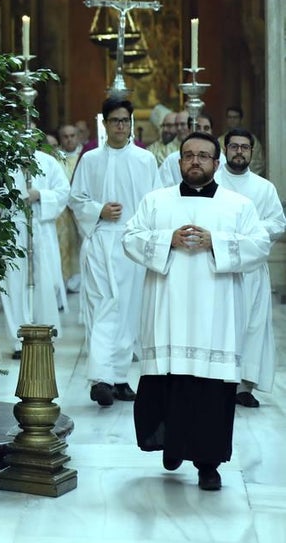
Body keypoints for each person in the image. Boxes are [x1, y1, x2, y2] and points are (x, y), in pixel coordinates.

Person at [123, 132, 270, 490]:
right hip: (167, 311)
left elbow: (260, 245)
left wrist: (215, 242)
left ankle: (209, 464)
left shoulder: (237, 206)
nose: (195, 161)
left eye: (203, 156)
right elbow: (130, 237)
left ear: (216, 164)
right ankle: (171, 445)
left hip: (215, 317)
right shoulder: (157, 201)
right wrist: (165, 240)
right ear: (179, 162)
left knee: (210, 391)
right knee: (169, 384)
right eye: (188, 155)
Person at [67, 97, 158, 406]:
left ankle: (118, 378)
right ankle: (100, 378)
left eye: (126, 120)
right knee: (104, 308)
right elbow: (76, 199)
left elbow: (155, 203)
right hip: (101, 242)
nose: (121, 126)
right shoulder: (90, 159)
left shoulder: (145, 160)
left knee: (129, 311)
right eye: (116, 120)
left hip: (132, 245)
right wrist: (99, 210)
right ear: (105, 124)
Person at [215, 128, 284, 407]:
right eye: (234, 147)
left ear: (251, 153)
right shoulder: (214, 183)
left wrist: (249, 232)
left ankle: (245, 386)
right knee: (221, 326)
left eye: (245, 147)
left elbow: (278, 223)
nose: (239, 152)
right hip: (218, 269)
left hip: (252, 271)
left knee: (253, 327)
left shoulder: (264, 188)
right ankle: (219, 382)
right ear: (225, 149)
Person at [0, 149, 70, 358]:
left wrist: (40, 195)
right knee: (14, 283)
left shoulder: (47, 162)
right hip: (14, 229)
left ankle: (45, 334)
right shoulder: (5, 161)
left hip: (42, 227)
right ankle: (19, 340)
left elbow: (63, 191)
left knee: (46, 283)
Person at [55, 124, 83, 296]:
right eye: (65, 136)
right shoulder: (55, 159)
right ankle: (63, 282)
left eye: (72, 135)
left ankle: (79, 281)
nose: (69, 139)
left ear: (78, 136)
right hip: (61, 213)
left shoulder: (85, 156)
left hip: (80, 212)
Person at [158, 113, 212, 186]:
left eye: (206, 128)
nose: (202, 131)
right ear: (190, 129)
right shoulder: (172, 159)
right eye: (198, 127)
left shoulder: (220, 157)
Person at [224, 106, 266, 176]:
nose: (232, 120)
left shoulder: (252, 140)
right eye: (230, 117)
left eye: (235, 117)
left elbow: (258, 163)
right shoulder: (219, 141)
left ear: (241, 119)